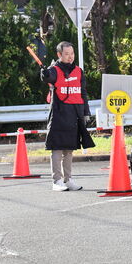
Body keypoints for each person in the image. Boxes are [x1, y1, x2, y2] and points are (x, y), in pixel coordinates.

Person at [40, 41, 95, 191]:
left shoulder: (79, 71)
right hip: (58, 113)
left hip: (74, 113)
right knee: (57, 148)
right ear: (59, 55)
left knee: (70, 149)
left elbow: (83, 93)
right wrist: (44, 74)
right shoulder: (54, 70)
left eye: (72, 53)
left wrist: (86, 112)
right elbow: (48, 77)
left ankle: (68, 179)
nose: (70, 57)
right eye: (66, 54)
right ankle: (57, 181)